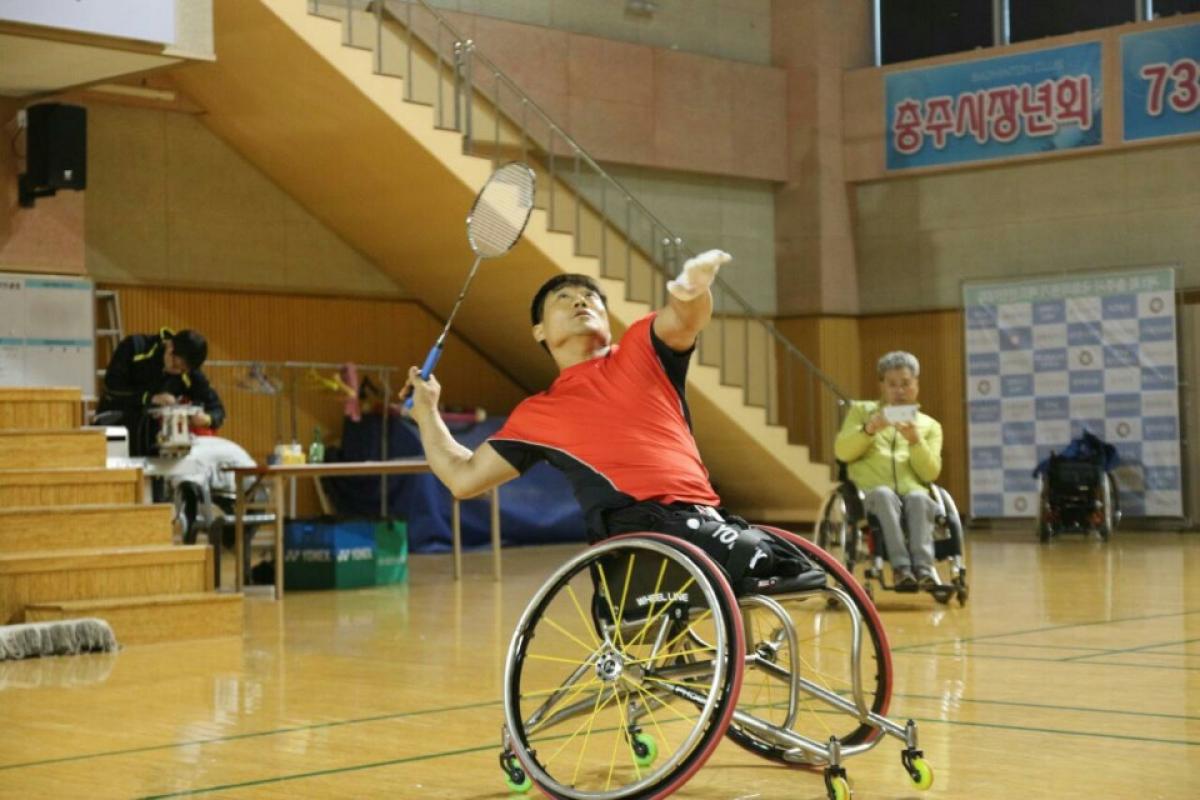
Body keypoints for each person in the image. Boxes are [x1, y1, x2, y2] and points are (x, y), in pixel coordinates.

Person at [403, 252, 822, 594]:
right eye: (563, 298)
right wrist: (427, 414)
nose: (580, 302)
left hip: (706, 519)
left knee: (800, 563)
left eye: (590, 297)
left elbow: (685, 319)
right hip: (638, 533)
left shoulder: (641, 350)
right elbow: (463, 477)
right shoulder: (537, 413)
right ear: (538, 332)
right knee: (760, 557)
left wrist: (693, 288)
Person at [834, 351, 943, 591]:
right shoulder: (862, 412)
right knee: (883, 494)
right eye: (892, 384)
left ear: (916, 385)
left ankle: (924, 568)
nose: (899, 391)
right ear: (881, 385)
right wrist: (870, 429)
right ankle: (902, 567)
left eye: (906, 383)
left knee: (919, 497)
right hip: (871, 494)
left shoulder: (930, 425)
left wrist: (916, 441)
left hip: (911, 491)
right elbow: (842, 452)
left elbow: (930, 473)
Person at [97, 327, 225, 456]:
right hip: (115, 425)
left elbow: (217, 409)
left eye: (183, 371)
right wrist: (150, 398)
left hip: (152, 441)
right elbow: (111, 387)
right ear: (169, 346)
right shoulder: (135, 347)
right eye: (175, 366)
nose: (177, 372)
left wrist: (207, 419)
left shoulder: (188, 372)